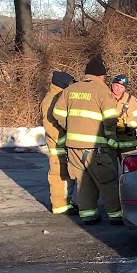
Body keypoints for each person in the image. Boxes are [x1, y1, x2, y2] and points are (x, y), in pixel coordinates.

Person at [57, 56, 123, 225]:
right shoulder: (102, 91)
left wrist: (70, 126)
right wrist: (109, 136)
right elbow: (110, 118)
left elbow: (58, 113)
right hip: (94, 147)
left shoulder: (70, 90)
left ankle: (88, 215)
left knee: (83, 182)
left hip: (73, 146)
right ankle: (116, 215)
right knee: (108, 181)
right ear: (101, 76)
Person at [40, 70, 77, 215]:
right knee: (59, 176)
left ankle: (65, 201)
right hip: (57, 144)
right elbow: (51, 125)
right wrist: (63, 139)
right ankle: (60, 205)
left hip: (60, 143)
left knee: (65, 174)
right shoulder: (52, 99)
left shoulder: (57, 97)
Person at [110, 75, 137, 153]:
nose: (118, 89)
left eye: (121, 87)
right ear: (112, 85)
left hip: (127, 141)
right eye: (116, 85)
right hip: (109, 141)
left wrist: (128, 124)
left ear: (125, 89)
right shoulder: (104, 97)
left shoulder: (131, 101)